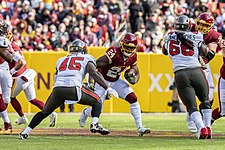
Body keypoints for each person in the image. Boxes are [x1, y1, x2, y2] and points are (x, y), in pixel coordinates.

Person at [19, 39, 119, 139]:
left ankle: (26, 131)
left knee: (44, 112)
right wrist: (107, 87)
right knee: (97, 100)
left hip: (57, 88)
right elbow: (93, 72)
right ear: (83, 49)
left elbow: (56, 76)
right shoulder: (87, 57)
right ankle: (95, 124)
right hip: (73, 87)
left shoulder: (61, 60)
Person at [79, 32, 150, 137]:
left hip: (116, 81)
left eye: (132, 48)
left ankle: (140, 127)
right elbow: (94, 65)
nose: (130, 51)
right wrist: (90, 81)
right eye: (127, 48)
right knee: (98, 108)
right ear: (122, 45)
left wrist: (134, 77)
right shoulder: (114, 52)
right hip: (102, 80)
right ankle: (86, 112)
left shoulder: (133, 56)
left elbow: (136, 70)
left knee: (133, 98)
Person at [162, 15, 212, 139]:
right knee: (205, 100)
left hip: (180, 74)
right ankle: (208, 128)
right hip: (196, 71)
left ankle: (201, 129)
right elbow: (206, 52)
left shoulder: (168, 36)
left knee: (191, 106)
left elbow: (164, 51)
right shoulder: (197, 36)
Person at [3, 26, 58, 127]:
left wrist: (11, 71)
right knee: (33, 99)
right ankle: (51, 113)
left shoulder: (9, 47)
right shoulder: (14, 45)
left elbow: (21, 61)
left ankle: (22, 117)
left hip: (19, 77)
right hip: (27, 74)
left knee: (10, 97)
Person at [185, 12, 221, 133]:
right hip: (188, 62)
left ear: (210, 26)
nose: (201, 27)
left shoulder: (213, 35)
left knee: (208, 96)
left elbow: (211, 53)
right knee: (191, 92)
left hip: (202, 63)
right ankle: (190, 118)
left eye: (205, 25)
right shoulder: (189, 28)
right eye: (200, 24)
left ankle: (201, 120)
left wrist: (202, 61)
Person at [0, 19, 25, 133]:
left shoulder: (6, 42)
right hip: (3, 70)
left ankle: (6, 123)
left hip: (4, 70)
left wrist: (13, 70)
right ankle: (7, 124)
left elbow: (17, 59)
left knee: (6, 99)